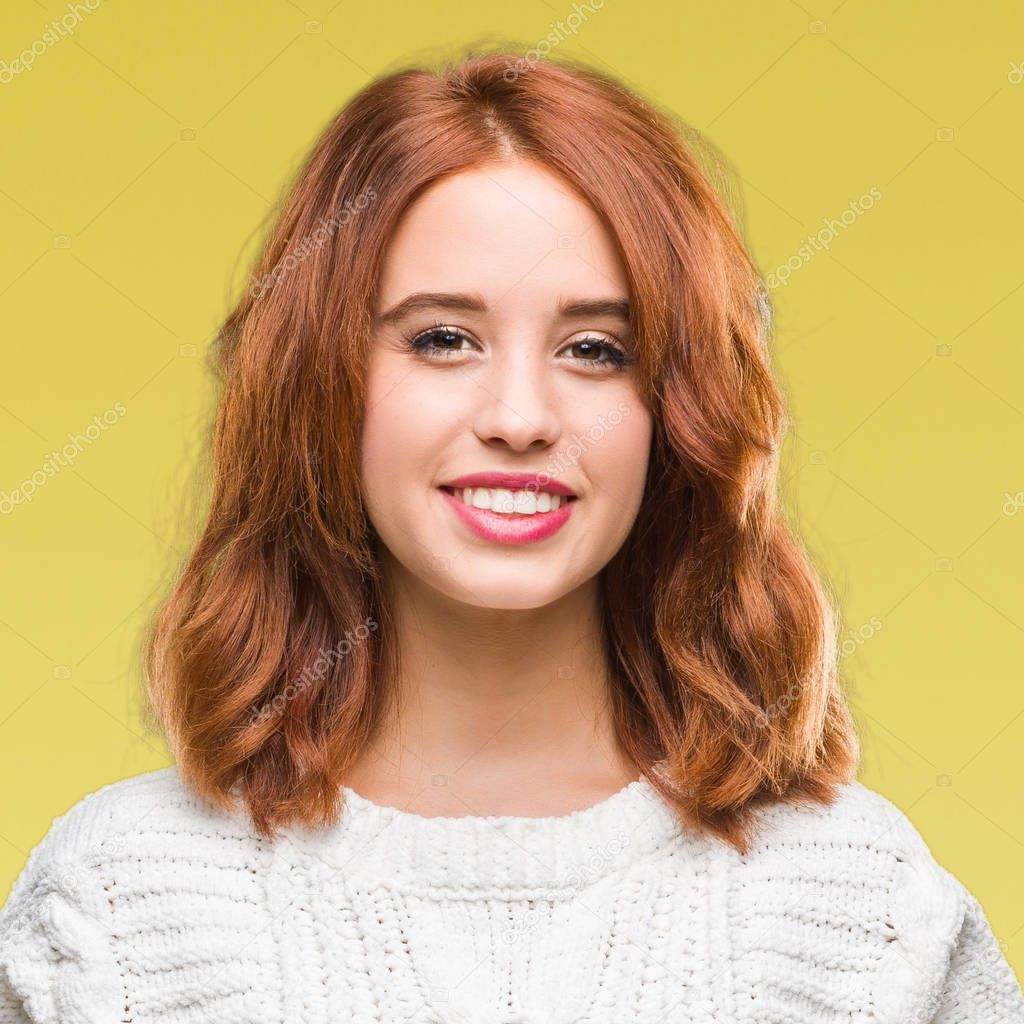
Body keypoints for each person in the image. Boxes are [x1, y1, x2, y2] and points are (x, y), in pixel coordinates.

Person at [1, 47, 1021, 1024]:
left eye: (595, 348)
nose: (521, 415)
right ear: (320, 383)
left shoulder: (855, 912)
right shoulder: (123, 906)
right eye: (442, 338)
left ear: (677, 411)